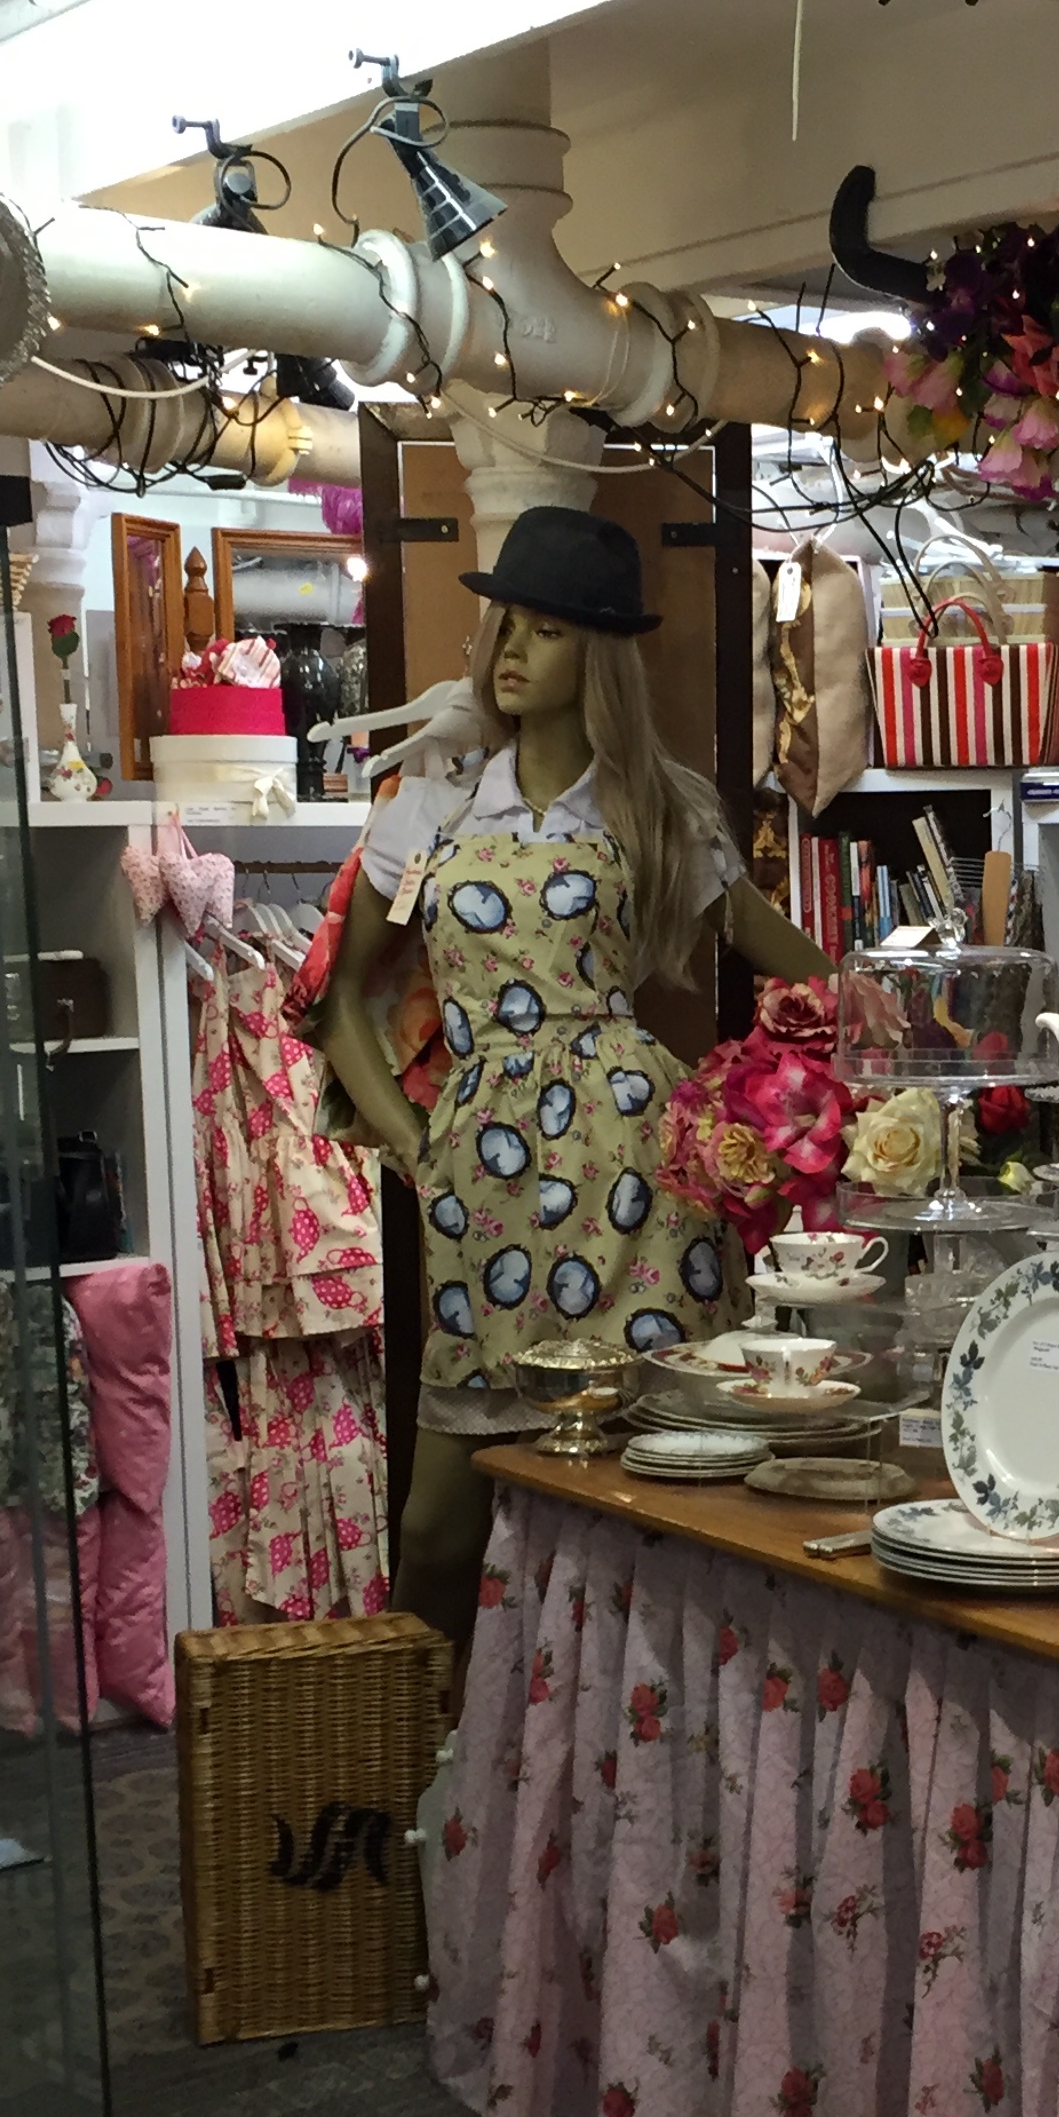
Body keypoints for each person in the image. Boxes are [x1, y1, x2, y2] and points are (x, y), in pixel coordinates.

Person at [321, 505, 827, 1674]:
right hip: (480, 1183)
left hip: (639, 1167)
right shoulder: (431, 806)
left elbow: (791, 963)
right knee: (439, 1523)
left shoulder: (655, 805)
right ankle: (422, 1752)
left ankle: (631, 1743)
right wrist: (417, 1145)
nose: (512, 650)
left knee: (659, 1497)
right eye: (506, 624)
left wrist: (886, 1033)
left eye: (547, 631)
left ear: (596, 655)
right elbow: (339, 1003)